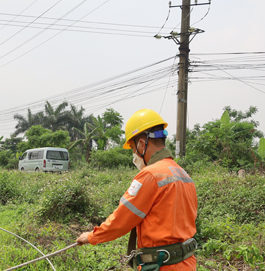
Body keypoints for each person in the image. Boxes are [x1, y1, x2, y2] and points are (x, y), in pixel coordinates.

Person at [76, 109, 198, 270]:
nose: (134, 155)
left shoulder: (150, 175)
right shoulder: (183, 174)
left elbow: (122, 219)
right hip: (186, 263)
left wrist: (92, 236)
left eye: (133, 149)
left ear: (141, 144)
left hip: (161, 265)